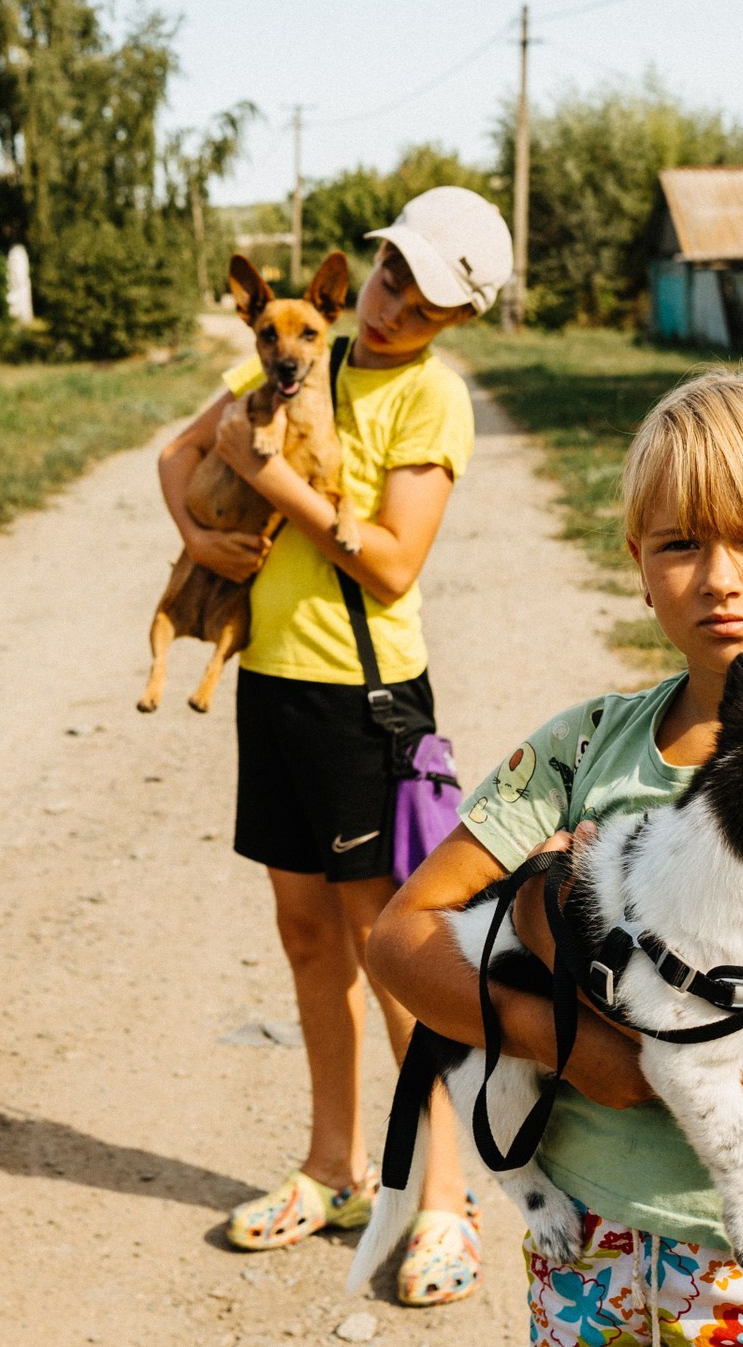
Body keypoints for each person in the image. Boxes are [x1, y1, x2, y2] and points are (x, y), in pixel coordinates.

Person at [366, 368, 743, 1345]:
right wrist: (569, 1047)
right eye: (682, 543)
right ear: (639, 563)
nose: (720, 576)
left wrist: (571, 950)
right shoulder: (579, 749)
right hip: (588, 1245)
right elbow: (399, 941)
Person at [156, 187, 515, 1307]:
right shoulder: (296, 355)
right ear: (371, 263)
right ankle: (335, 1167)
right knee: (307, 935)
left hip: (366, 701)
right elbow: (180, 454)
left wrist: (268, 482)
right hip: (272, 686)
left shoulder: (430, 400)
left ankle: (444, 1204)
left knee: (391, 949)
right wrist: (197, 531)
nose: (397, 306)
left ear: (461, 320)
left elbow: (394, 563)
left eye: (429, 300)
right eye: (393, 275)